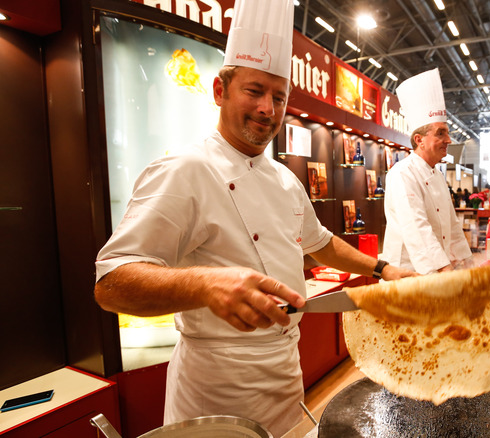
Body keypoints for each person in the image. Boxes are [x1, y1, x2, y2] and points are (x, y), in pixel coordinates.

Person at [92, 1, 414, 436]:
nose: (268, 108)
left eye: (279, 97)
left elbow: (319, 243)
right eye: (255, 91)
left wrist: (384, 269)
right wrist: (205, 284)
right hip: (217, 390)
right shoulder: (184, 169)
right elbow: (111, 283)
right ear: (219, 91)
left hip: (285, 374)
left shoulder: (283, 178)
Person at [383, 68, 472, 274]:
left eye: (447, 133)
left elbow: (452, 225)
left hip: (434, 272)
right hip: (407, 273)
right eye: (441, 133)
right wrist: (443, 269)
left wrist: (467, 261)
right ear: (419, 140)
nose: (448, 140)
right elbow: (416, 227)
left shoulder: (437, 175)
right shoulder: (402, 174)